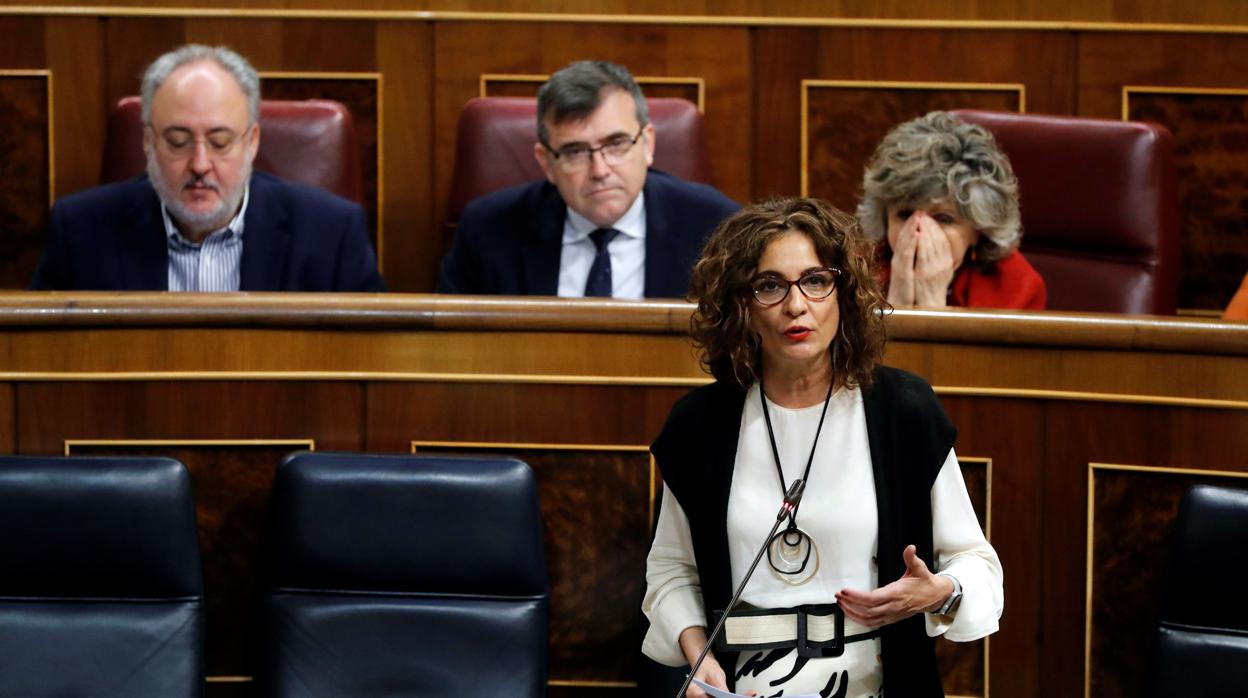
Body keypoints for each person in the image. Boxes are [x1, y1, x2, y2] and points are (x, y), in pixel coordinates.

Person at [642, 198, 1003, 697]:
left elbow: (977, 565)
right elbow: (671, 572)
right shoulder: (701, 425)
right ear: (740, 305)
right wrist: (697, 651)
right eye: (770, 286)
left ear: (845, 294)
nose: (797, 305)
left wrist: (939, 590)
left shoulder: (903, 411)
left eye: (815, 281)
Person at [29, 44, 384, 292]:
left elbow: (370, 364)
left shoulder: (332, 235)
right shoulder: (80, 233)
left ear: (252, 141)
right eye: (178, 141)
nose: (200, 164)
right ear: (148, 143)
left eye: (220, 142)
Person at [437, 60, 738, 299]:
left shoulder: (715, 227)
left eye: (616, 144)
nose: (600, 170)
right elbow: (451, 352)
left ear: (647, 144)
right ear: (547, 163)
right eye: (575, 151)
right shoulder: (488, 230)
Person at [857, 111, 1045, 310]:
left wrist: (933, 307)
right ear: (884, 220)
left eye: (944, 218)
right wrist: (893, 309)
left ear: (978, 230)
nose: (919, 231)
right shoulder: (854, 274)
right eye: (904, 215)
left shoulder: (1019, 286)